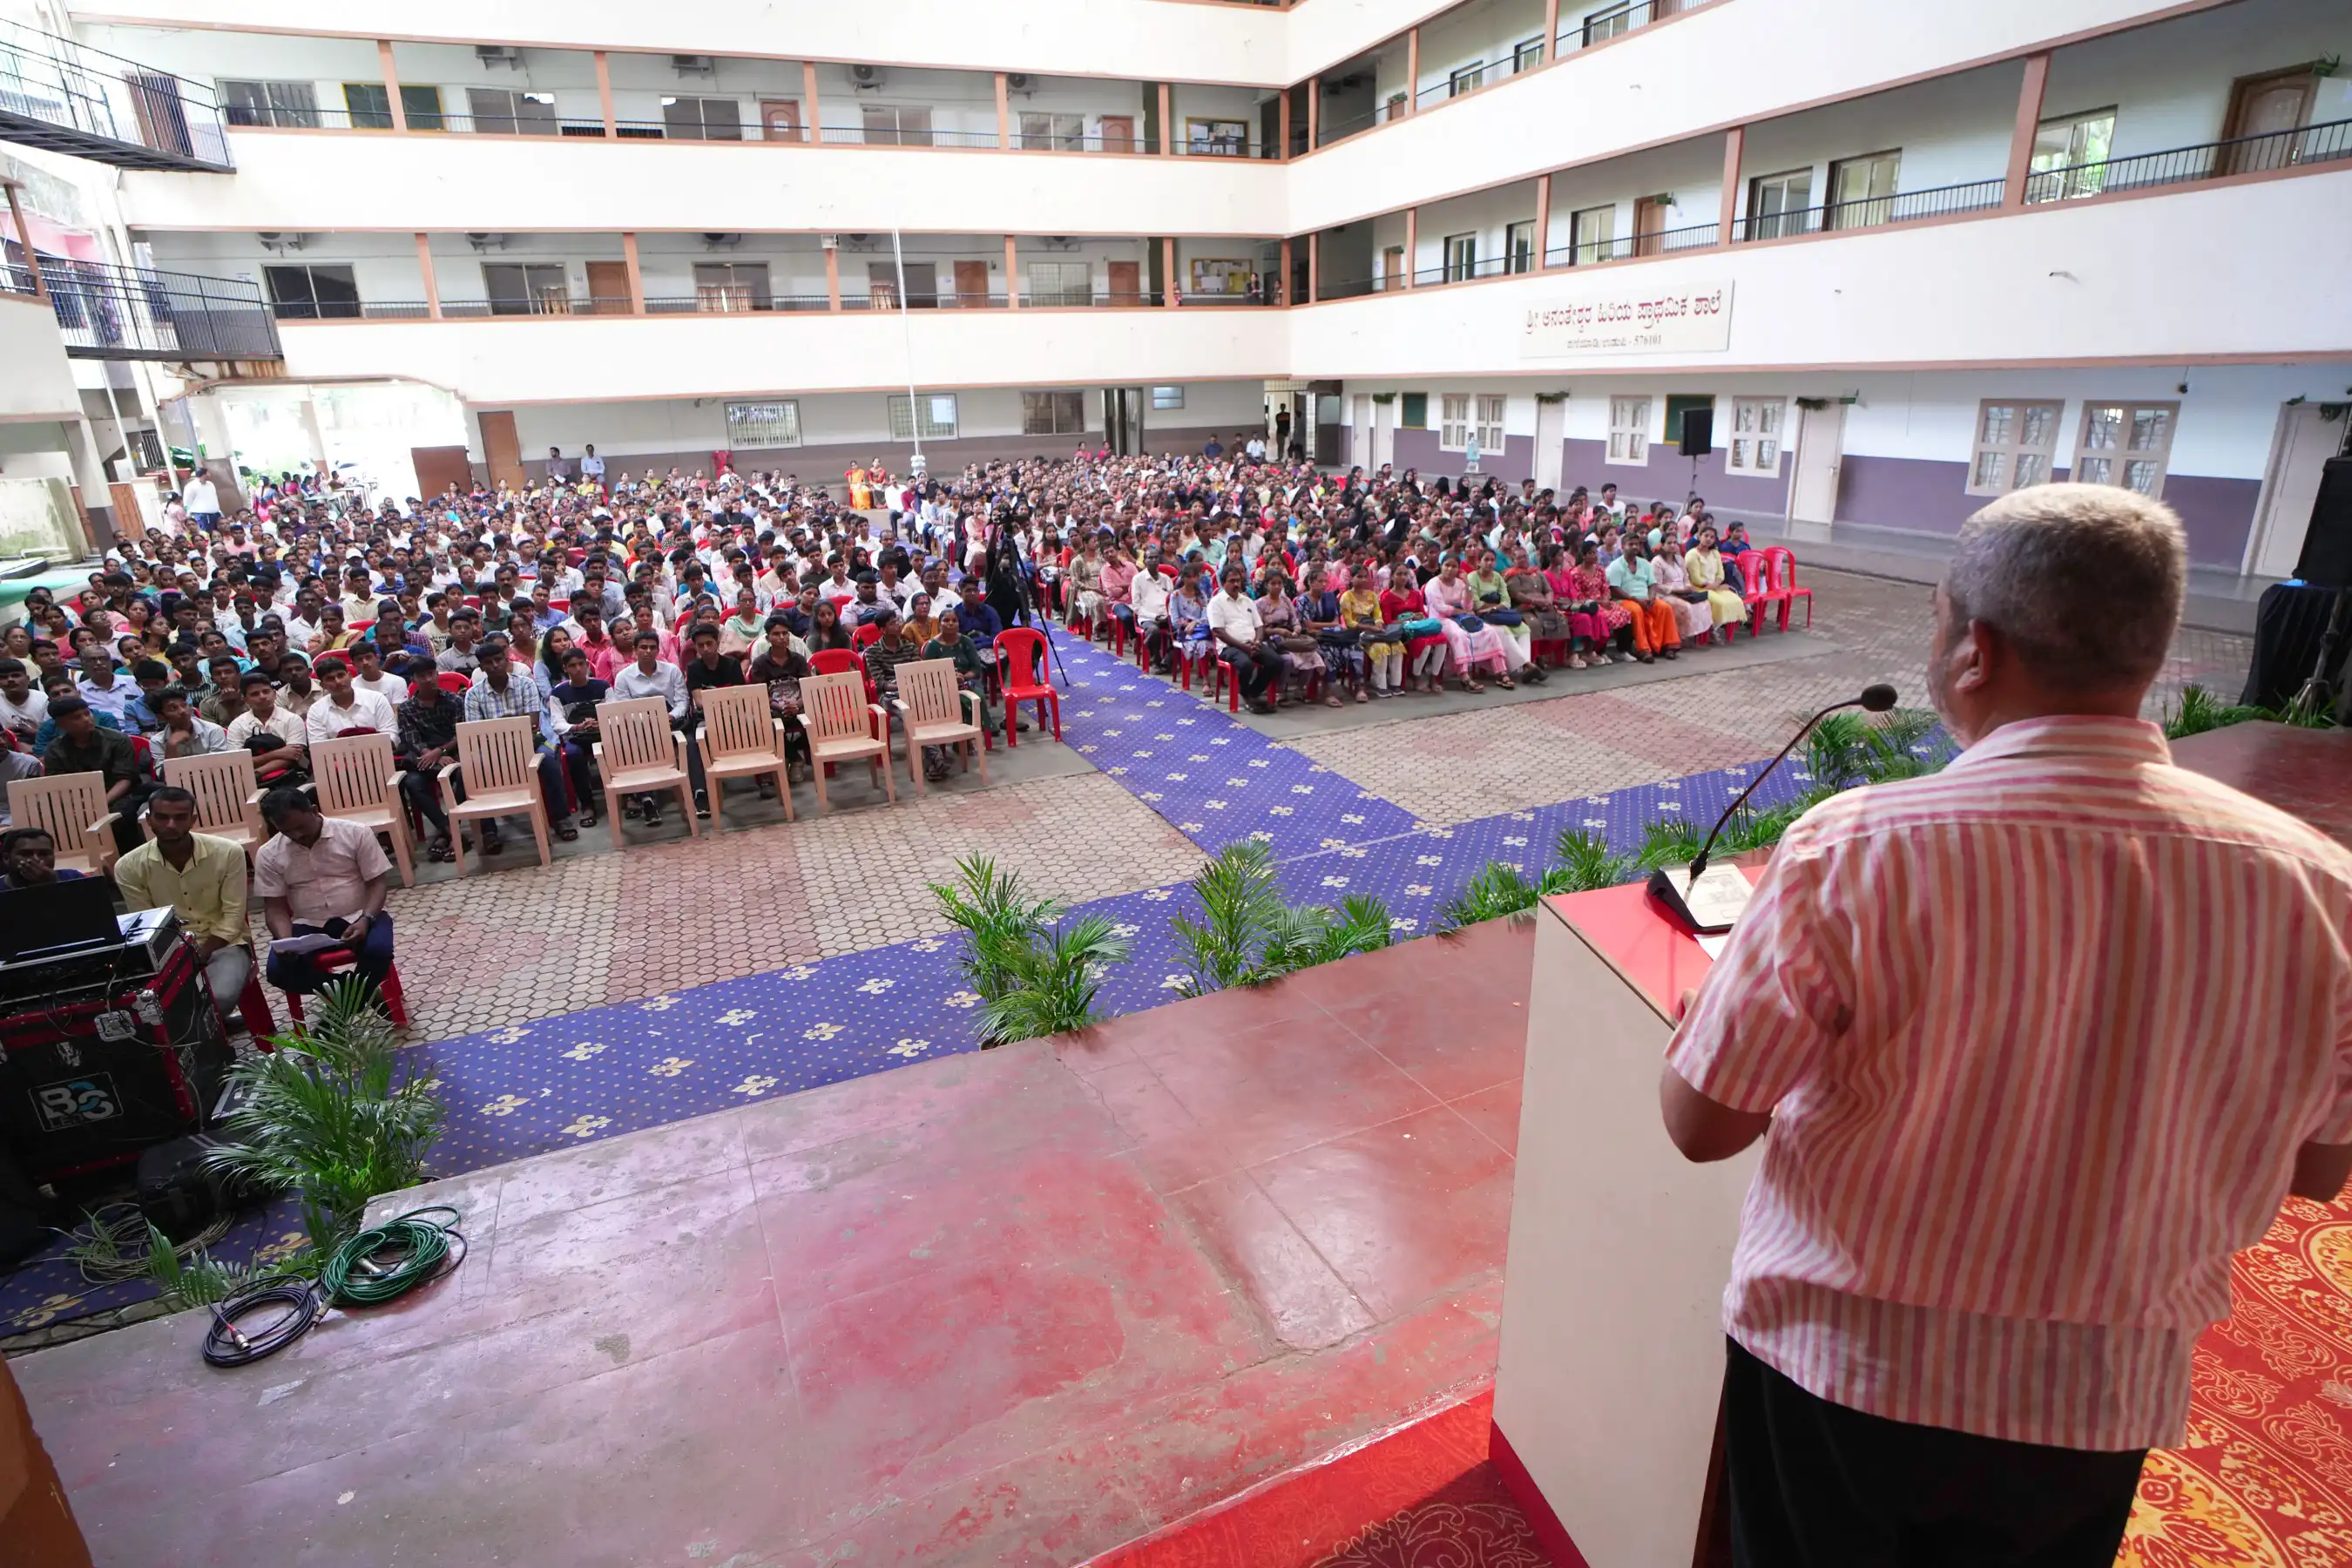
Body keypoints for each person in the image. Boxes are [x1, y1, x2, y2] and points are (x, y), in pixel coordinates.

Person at [1661, 486, 2352, 1568]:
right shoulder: (2320, 886)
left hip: (1846, 1378)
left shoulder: (1856, 848)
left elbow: (1702, 1127)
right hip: (2097, 1400)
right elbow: (2320, 1170)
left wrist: (1707, 1019)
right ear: (2153, 648)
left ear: (1973, 648)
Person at [113, 786, 251, 1030]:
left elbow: (233, 916)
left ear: (193, 819)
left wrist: (203, 951)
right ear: (149, 820)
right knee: (144, 1006)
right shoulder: (128, 866)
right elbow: (150, 924)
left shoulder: (228, 852)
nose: (170, 825)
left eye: (180, 817)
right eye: (162, 817)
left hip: (225, 945)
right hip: (168, 953)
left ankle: (207, 1037)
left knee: (219, 998)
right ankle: (206, 1032)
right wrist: (182, 956)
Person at [253, 787, 395, 999]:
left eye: (301, 826)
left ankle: (339, 1012)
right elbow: (275, 907)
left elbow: (377, 883)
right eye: (286, 831)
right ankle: (359, 996)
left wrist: (366, 919)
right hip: (307, 923)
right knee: (278, 973)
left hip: (360, 915)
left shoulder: (355, 833)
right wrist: (285, 940)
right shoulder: (269, 853)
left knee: (378, 952)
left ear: (314, 810)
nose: (297, 835)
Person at [462, 635, 578, 845]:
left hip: (527, 744)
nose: (495, 665)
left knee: (549, 760)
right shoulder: (473, 695)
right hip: (491, 750)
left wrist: (499, 726)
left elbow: (531, 725)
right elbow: (477, 733)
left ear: (506, 658)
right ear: (481, 667)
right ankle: (489, 831)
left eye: (499, 659)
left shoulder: (525, 685)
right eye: (489, 662)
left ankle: (561, 820)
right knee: (471, 769)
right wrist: (511, 724)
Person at [41, 695, 147, 850]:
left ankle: (125, 858)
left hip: (116, 795)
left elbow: (125, 779)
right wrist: (80, 804)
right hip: (76, 800)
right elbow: (58, 784)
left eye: (87, 713)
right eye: (76, 717)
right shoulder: (55, 749)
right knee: (53, 817)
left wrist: (99, 802)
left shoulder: (117, 740)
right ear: (61, 724)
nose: (86, 719)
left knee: (122, 816)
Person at [1207, 564, 1281, 715]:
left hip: (1252, 644)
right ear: (1223, 583)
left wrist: (1258, 642)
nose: (1236, 584)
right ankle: (1248, 696)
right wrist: (1244, 647)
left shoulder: (1247, 601)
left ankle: (1251, 692)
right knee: (1245, 664)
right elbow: (1219, 632)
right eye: (1232, 581)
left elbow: (1259, 626)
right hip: (1229, 647)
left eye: (1238, 581)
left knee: (1276, 661)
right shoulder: (1216, 603)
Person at [303, 656, 397, 746]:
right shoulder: (316, 710)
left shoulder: (376, 699)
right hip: (336, 760)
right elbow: (318, 748)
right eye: (330, 679)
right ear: (323, 685)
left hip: (378, 756)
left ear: (350, 676)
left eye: (341, 675)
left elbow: (391, 736)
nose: (338, 682)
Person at [0, 826, 84, 889]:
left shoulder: (74, 878)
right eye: (26, 854)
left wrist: (54, 882)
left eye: (44, 854)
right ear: (6, 858)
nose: (36, 859)